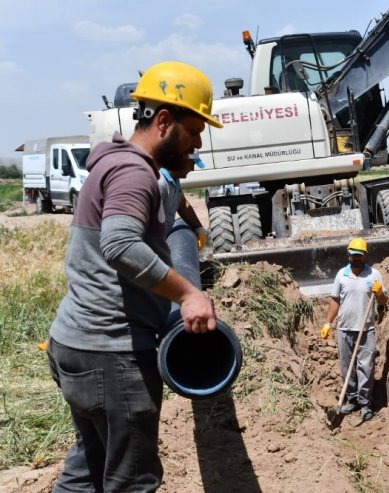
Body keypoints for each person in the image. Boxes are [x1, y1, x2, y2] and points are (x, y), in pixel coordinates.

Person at [46, 61, 223, 493]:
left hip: (77, 345)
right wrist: (187, 295)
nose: (198, 143)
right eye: (195, 130)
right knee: (133, 482)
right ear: (164, 121)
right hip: (113, 355)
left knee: (87, 472)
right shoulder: (134, 172)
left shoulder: (115, 165)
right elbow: (120, 244)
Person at [321, 237, 388, 423]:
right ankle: (352, 399)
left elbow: (384, 302)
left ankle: (365, 403)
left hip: (366, 330)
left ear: (365, 255)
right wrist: (328, 323)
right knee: (346, 367)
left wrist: (380, 293)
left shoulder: (374, 275)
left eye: (360, 255)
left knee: (366, 367)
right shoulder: (341, 275)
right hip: (344, 329)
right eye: (354, 255)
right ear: (348, 255)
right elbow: (335, 300)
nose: (357, 258)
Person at [160, 152, 208, 248]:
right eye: (192, 163)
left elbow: (182, 205)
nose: (193, 169)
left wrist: (199, 229)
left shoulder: (174, 180)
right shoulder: (160, 183)